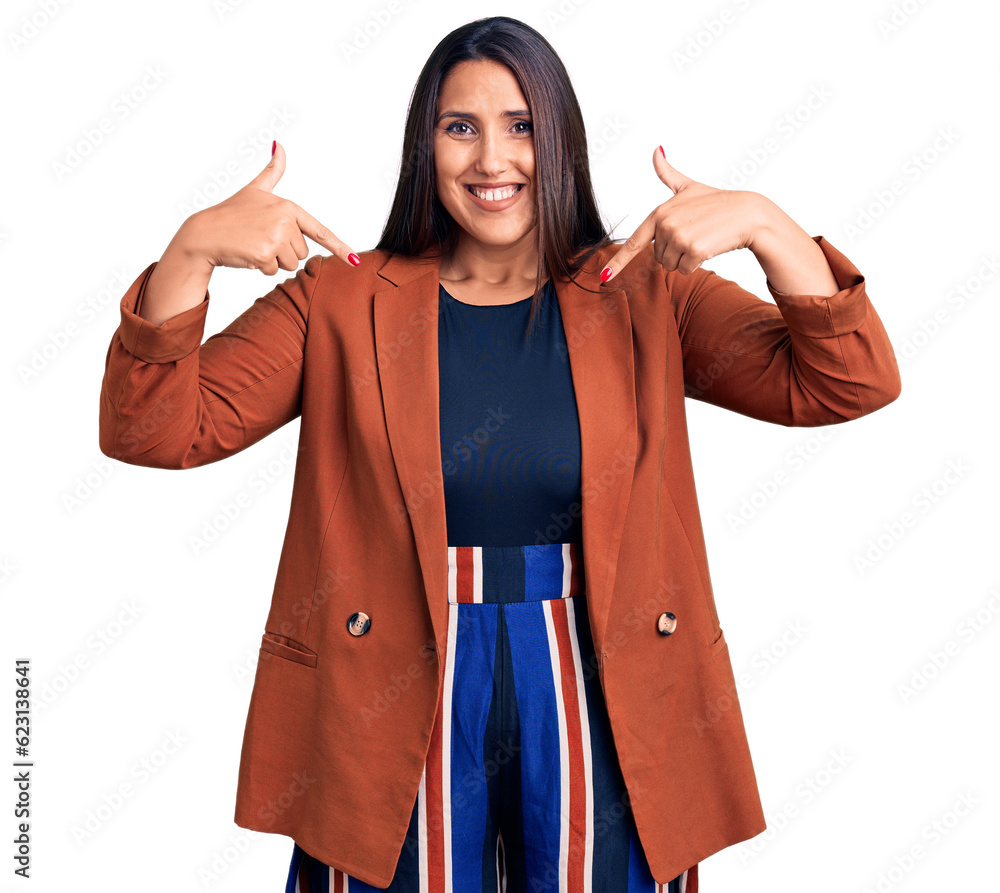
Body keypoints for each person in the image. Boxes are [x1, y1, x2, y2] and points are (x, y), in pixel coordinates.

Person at [98, 15, 901, 893]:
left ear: (561, 139)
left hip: (600, 678)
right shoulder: (341, 296)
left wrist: (768, 226)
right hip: (394, 677)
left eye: (521, 125)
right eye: (460, 127)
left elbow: (846, 382)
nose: (493, 160)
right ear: (424, 145)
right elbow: (155, 429)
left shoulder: (642, 289)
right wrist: (190, 253)